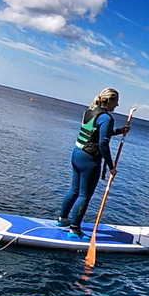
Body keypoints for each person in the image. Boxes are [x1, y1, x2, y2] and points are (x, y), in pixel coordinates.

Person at [56, 87, 130, 239]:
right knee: (85, 195)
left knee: (74, 190)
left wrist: (119, 131)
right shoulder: (107, 118)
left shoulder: (89, 111)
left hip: (77, 154)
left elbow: (96, 133)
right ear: (109, 100)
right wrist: (111, 167)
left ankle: (62, 219)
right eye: (116, 101)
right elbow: (103, 144)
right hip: (89, 160)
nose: (117, 105)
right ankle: (74, 229)